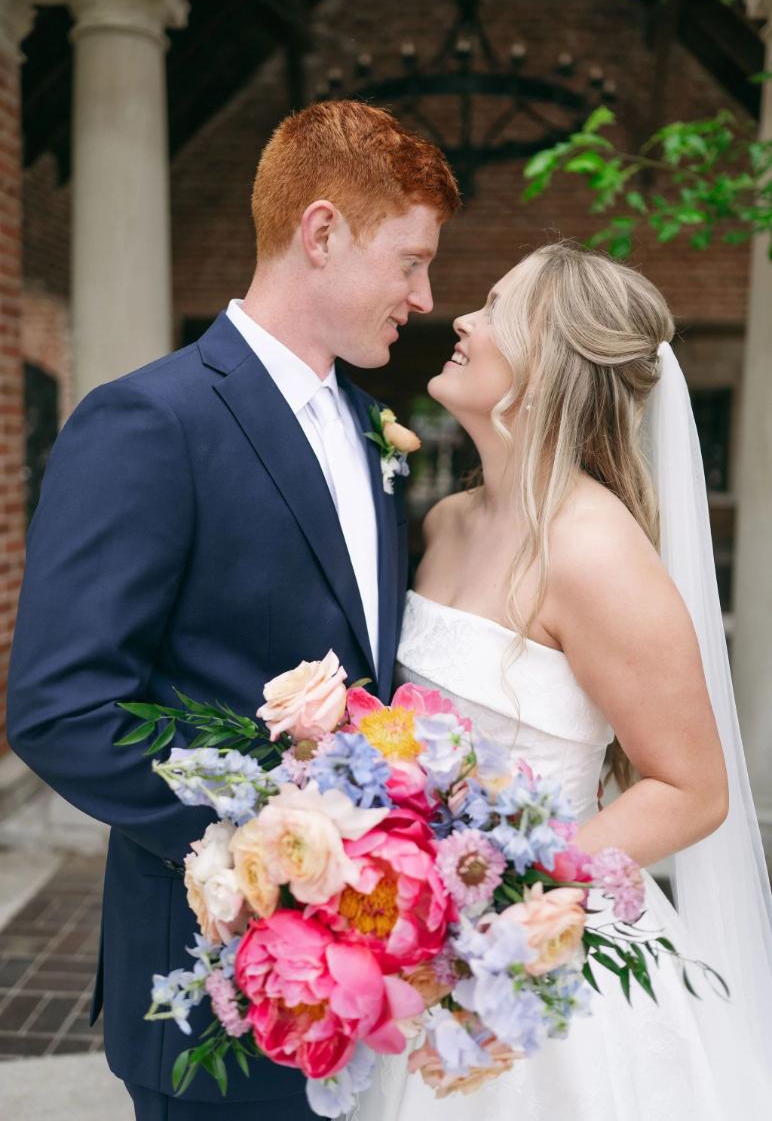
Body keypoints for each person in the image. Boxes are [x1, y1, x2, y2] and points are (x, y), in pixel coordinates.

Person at [6, 100, 459, 1121]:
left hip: (357, 993)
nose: (423, 296)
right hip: (211, 990)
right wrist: (293, 839)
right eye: (410, 260)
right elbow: (62, 706)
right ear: (323, 231)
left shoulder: (365, 421)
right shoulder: (150, 419)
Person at [354, 241, 772, 1120]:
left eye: (496, 308)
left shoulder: (595, 552)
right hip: (417, 944)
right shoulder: (446, 521)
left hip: (535, 960)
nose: (460, 319)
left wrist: (507, 895)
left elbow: (692, 787)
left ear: (547, 368)